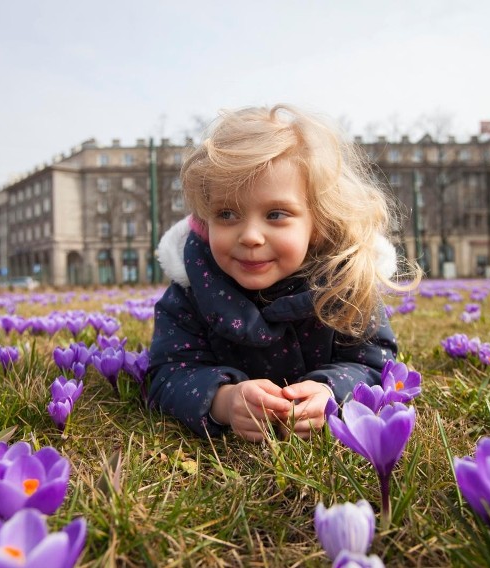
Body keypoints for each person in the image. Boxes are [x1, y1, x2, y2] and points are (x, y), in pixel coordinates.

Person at [147, 104, 420, 441]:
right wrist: (225, 400)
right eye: (227, 214)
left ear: (317, 224)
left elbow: (373, 365)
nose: (249, 236)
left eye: (276, 214)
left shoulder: (346, 283)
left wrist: (331, 394)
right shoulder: (190, 292)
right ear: (205, 221)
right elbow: (168, 373)